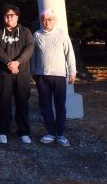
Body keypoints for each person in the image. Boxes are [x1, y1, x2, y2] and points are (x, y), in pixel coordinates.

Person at [31, 9, 77, 147]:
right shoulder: (37, 35)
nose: (46, 22)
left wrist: (72, 72)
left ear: (54, 20)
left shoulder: (62, 34)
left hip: (59, 76)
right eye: (44, 19)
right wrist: (33, 72)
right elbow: (33, 56)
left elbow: (69, 53)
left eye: (49, 19)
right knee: (45, 106)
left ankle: (61, 134)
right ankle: (50, 132)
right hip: (42, 76)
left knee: (60, 105)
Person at [0, 5, 34, 145]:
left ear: (17, 16)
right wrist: (10, 63)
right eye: (6, 15)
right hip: (4, 73)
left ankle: (24, 131)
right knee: (3, 102)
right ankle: (3, 131)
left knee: (22, 102)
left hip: (22, 73)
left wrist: (18, 62)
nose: (9, 17)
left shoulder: (25, 31)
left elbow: (29, 48)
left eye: (12, 15)